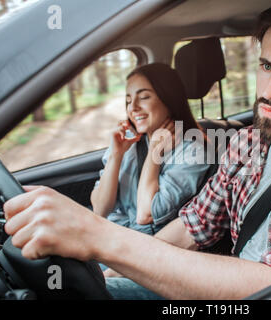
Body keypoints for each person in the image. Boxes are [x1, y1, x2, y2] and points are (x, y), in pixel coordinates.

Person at [3, 0, 271, 300]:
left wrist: (101, 238)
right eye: (266, 67)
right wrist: (107, 269)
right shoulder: (250, 140)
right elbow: (192, 228)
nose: (270, 91)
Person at [90, 63, 212, 237]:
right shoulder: (128, 143)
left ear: (169, 99)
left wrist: (155, 151)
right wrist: (116, 156)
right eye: (128, 100)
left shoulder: (193, 152)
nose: (133, 107)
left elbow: (145, 215)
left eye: (144, 97)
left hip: (145, 248)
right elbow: (100, 209)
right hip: (110, 238)